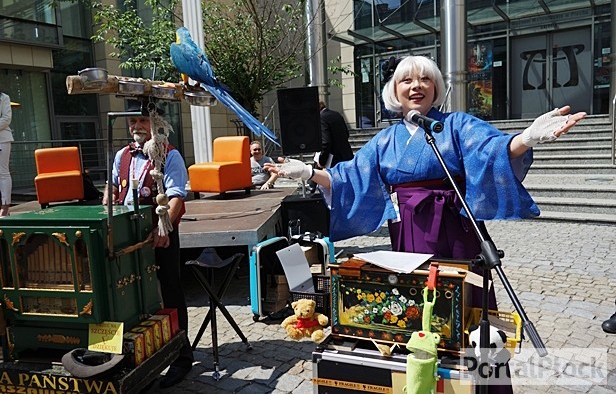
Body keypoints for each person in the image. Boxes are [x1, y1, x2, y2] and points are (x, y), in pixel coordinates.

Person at [266, 55, 585, 391]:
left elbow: (492, 150)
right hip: (409, 233)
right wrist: (308, 173)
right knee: (415, 310)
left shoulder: (456, 125)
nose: (416, 86)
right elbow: (350, 177)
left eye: (425, 79)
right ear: (395, 90)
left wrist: (526, 138)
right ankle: (424, 381)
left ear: (436, 87)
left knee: (472, 313)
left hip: (457, 228)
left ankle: (489, 386)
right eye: (407, 80)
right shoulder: (385, 141)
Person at [102, 99, 193, 388]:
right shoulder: (122, 155)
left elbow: (177, 196)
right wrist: (106, 206)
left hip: (159, 234)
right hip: (128, 236)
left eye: (143, 121)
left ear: (157, 124)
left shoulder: (170, 155)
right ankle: (134, 354)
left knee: (169, 292)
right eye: (133, 122)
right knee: (127, 295)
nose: (138, 127)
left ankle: (181, 356)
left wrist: (164, 229)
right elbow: (113, 185)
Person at [316, 101, 354, 169]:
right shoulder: (337, 114)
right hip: (346, 155)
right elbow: (346, 134)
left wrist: (322, 162)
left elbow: (326, 143)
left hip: (333, 160)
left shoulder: (321, 118)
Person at [0, 90, 13, 217]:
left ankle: (5, 207)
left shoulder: (4, 97)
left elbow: (6, 119)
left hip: (2, 139)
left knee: (3, 173)